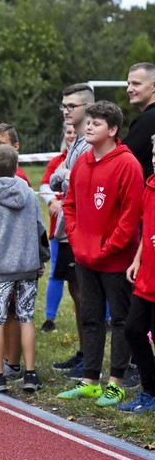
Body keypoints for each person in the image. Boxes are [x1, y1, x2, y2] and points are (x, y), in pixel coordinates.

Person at [57, 101, 143, 407]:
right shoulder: (81, 162)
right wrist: (79, 242)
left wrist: (107, 248)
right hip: (84, 256)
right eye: (88, 121)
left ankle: (116, 383)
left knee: (120, 320)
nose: (89, 126)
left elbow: (131, 218)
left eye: (96, 123)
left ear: (113, 130)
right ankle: (90, 380)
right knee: (91, 318)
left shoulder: (128, 164)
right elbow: (70, 205)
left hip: (116, 259)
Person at [0, 145, 49, 393]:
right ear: (16, 167)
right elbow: (40, 229)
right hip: (27, 268)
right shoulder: (29, 193)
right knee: (26, 318)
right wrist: (42, 259)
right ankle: (30, 374)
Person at [48, 83, 95, 377]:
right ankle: (82, 353)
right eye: (63, 106)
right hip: (69, 228)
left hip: (82, 229)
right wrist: (65, 175)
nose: (65, 111)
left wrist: (65, 175)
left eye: (71, 106)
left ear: (87, 109)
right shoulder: (75, 141)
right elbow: (58, 179)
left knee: (86, 297)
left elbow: (78, 184)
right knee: (76, 292)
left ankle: (90, 359)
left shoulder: (89, 143)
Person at [118, 134, 155, 413]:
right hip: (146, 276)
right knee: (133, 329)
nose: (153, 159)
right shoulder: (150, 186)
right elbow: (147, 229)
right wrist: (137, 259)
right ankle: (150, 390)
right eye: (153, 153)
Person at [39, 123, 78, 333]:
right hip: (59, 229)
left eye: (75, 132)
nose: (71, 135)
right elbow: (45, 185)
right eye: (68, 132)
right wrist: (52, 201)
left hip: (82, 228)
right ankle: (49, 318)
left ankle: (107, 317)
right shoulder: (57, 160)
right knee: (55, 272)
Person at [123, 62, 155, 179]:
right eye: (128, 84)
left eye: (136, 84)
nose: (129, 89)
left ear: (153, 86)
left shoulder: (148, 119)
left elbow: (121, 160)